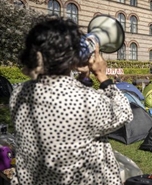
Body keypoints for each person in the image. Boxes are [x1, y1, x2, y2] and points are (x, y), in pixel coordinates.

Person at [9, 16, 133, 185]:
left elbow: (60, 103)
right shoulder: (87, 101)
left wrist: (82, 78)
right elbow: (124, 113)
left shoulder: (17, 93)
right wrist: (102, 77)